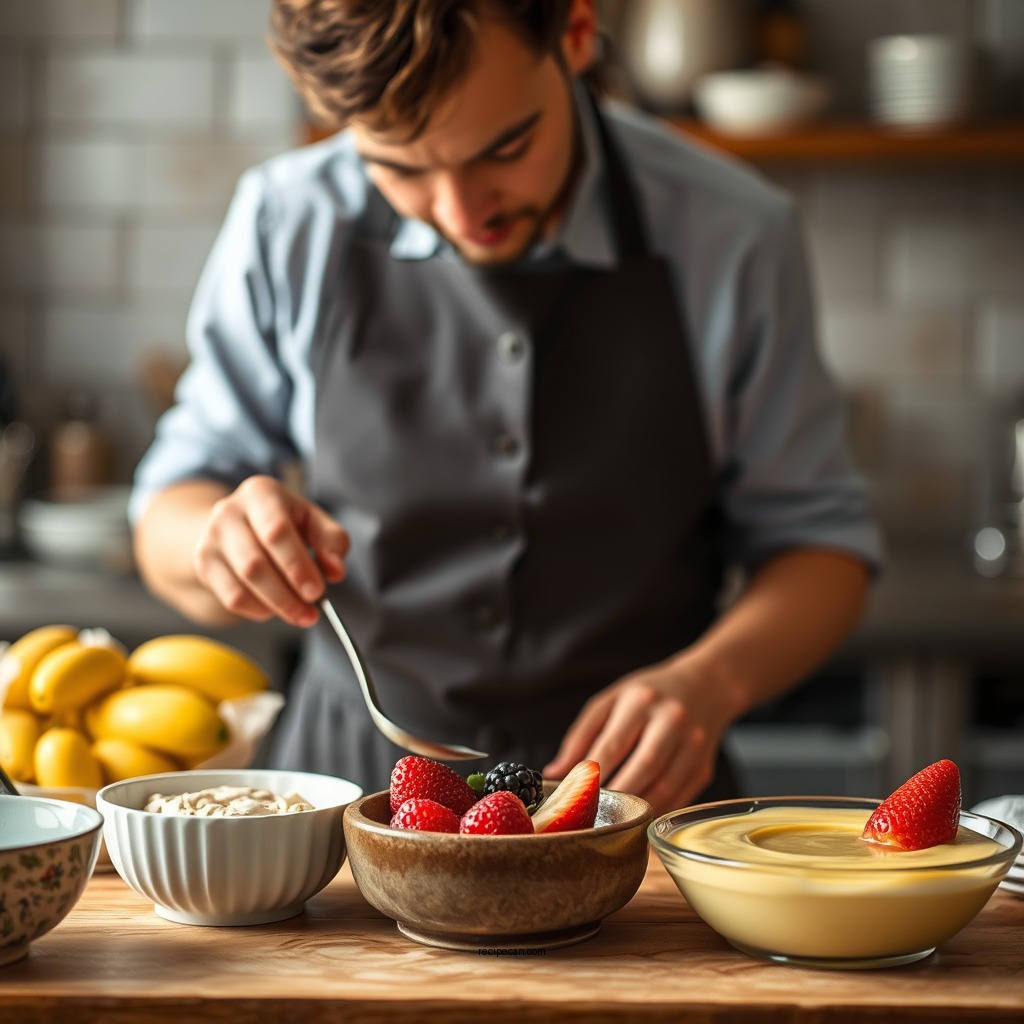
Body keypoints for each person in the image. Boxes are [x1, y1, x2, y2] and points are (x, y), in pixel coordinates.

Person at [129, 0, 882, 814]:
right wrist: (219, 539)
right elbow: (170, 506)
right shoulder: (288, 216)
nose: (463, 213)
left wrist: (710, 682)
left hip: (632, 806)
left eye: (506, 148)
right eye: (402, 167)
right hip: (347, 802)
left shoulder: (734, 231)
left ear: (577, 34)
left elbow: (820, 548)